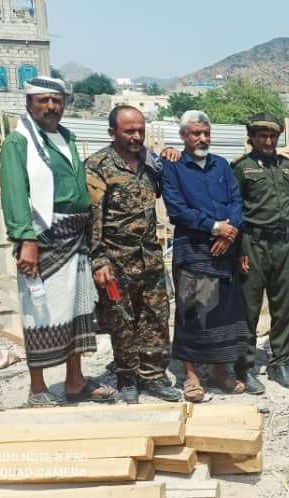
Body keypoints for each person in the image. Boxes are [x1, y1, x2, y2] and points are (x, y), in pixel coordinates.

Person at [0, 76, 117, 407]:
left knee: (76, 310)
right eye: (44, 100)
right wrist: (26, 239)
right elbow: (14, 194)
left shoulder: (66, 137)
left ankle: (75, 381)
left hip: (75, 238)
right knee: (39, 312)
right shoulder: (18, 143)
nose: (51, 106)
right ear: (29, 103)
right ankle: (37, 389)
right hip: (43, 238)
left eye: (57, 100)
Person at [85, 105, 180, 404]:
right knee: (121, 320)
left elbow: (168, 183)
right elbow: (93, 217)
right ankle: (127, 377)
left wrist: (172, 155)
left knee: (156, 316)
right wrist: (99, 260)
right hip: (117, 260)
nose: (136, 136)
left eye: (140, 130)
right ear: (112, 132)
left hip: (150, 256)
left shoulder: (150, 163)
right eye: (129, 131)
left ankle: (154, 376)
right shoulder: (98, 166)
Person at [161, 110, 248, 403]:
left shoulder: (221, 164)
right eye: (196, 133)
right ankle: (192, 376)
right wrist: (215, 227)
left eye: (206, 133)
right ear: (183, 136)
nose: (202, 138)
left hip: (226, 249)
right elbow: (176, 209)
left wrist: (229, 231)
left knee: (223, 311)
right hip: (194, 249)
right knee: (193, 313)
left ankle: (220, 371)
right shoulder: (172, 165)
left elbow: (236, 200)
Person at [233, 113, 289, 392]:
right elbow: (234, 209)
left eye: (273, 136)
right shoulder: (241, 167)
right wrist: (239, 251)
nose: (268, 141)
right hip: (253, 242)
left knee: (284, 306)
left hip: (284, 242)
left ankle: (280, 362)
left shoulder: (287, 167)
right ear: (252, 138)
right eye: (262, 136)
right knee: (248, 308)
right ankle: (245, 367)